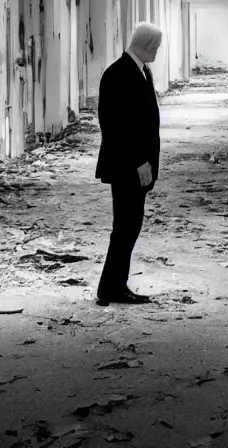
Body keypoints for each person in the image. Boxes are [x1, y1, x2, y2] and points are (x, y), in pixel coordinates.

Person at [93, 21, 163, 305]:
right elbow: (114, 126)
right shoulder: (118, 74)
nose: (158, 51)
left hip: (136, 165)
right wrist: (138, 162)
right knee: (125, 227)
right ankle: (109, 289)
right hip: (126, 166)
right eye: (156, 47)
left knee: (129, 226)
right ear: (146, 45)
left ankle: (116, 285)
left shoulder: (141, 71)